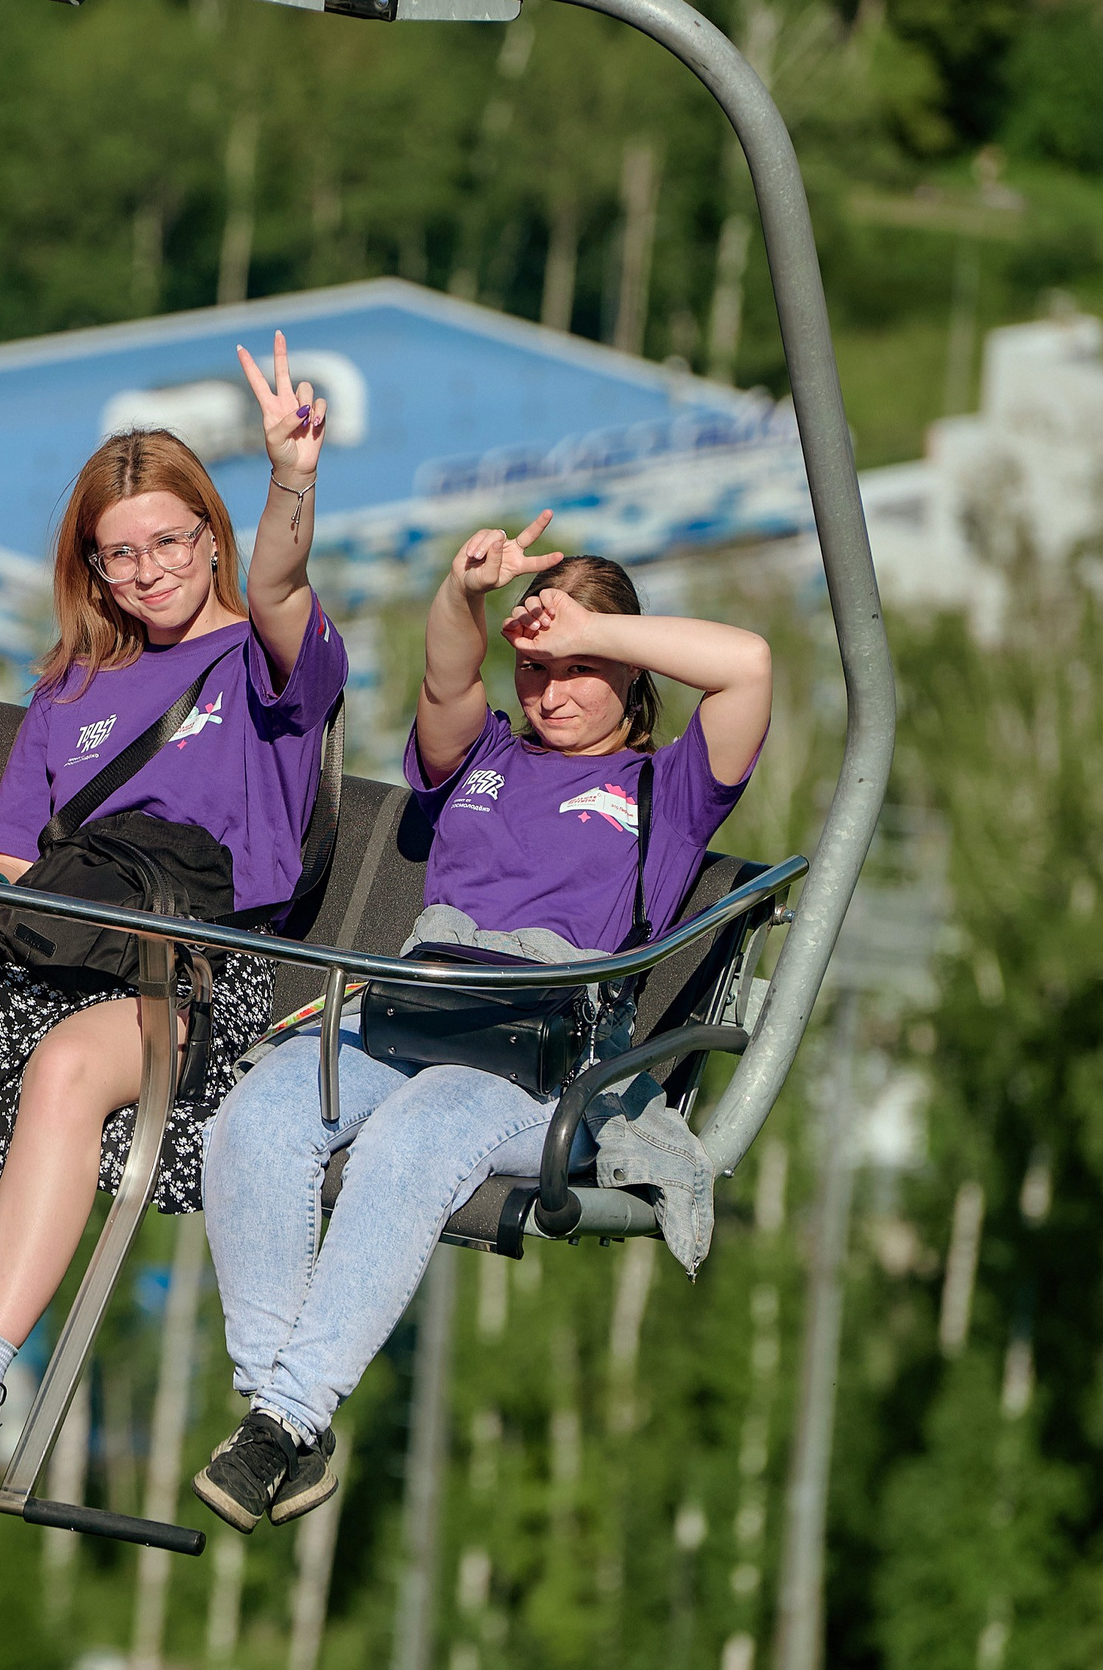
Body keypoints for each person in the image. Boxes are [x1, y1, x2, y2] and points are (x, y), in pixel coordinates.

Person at [0, 333, 348, 1535]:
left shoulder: (267, 666)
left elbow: (287, 587)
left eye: (169, 543)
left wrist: (289, 474)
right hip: (55, 938)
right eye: (118, 553)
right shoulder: (74, 688)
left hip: (190, 971)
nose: (146, 574)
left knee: (68, 1067)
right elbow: (12, 853)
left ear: (209, 535)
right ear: (91, 565)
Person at [188, 516, 772, 1534]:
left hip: (541, 1060)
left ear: (630, 677)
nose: (551, 690)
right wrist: (464, 594)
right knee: (258, 1116)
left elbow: (748, 666)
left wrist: (594, 627)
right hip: (413, 1018)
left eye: (581, 668)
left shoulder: (664, 792)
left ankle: (283, 1415)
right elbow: (449, 679)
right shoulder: (483, 754)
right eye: (536, 667)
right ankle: (279, 1416)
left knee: (415, 1142)